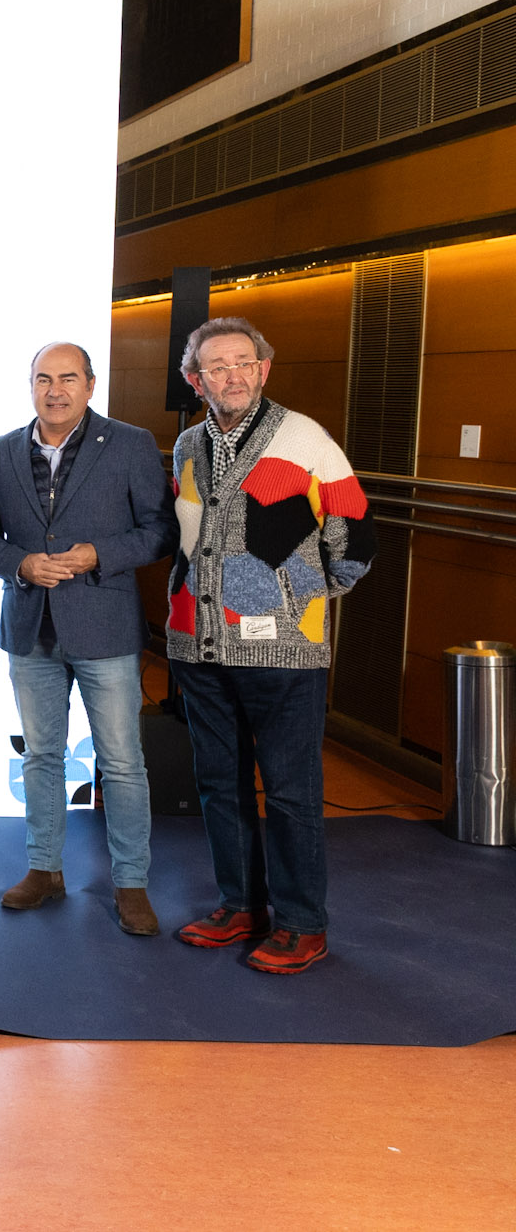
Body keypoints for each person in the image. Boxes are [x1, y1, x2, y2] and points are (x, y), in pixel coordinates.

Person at [166, 317, 374, 974]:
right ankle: (241, 905)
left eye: (242, 362)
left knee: (289, 791)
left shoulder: (304, 437)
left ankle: (302, 923)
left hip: (283, 652)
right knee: (219, 785)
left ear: (263, 369)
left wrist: (291, 599)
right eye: (215, 366)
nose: (231, 375)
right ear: (195, 380)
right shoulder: (188, 444)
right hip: (199, 645)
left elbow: (355, 536)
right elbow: (189, 534)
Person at [0, 342, 177, 934]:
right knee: (41, 756)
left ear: (90, 385)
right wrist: (20, 564)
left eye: (67, 378)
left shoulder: (131, 444)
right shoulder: (1, 450)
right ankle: (44, 869)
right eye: (44, 379)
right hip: (31, 628)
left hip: (105, 628)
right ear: (30, 385)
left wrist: (98, 555)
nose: (55, 390)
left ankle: (131, 883)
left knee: (122, 763)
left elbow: (161, 530)